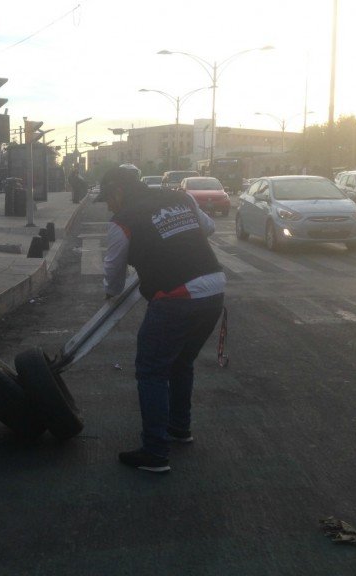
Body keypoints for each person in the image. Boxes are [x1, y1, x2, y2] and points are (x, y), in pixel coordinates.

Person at [97, 166, 226, 473]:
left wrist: (111, 295)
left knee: (152, 371)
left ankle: (155, 452)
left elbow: (113, 275)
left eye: (108, 199)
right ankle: (179, 429)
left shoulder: (122, 222)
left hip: (177, 296)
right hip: (214, 288)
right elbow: (208, 229)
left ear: (118, 192)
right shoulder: (180, 198)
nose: (108, 206)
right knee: (181, 362)